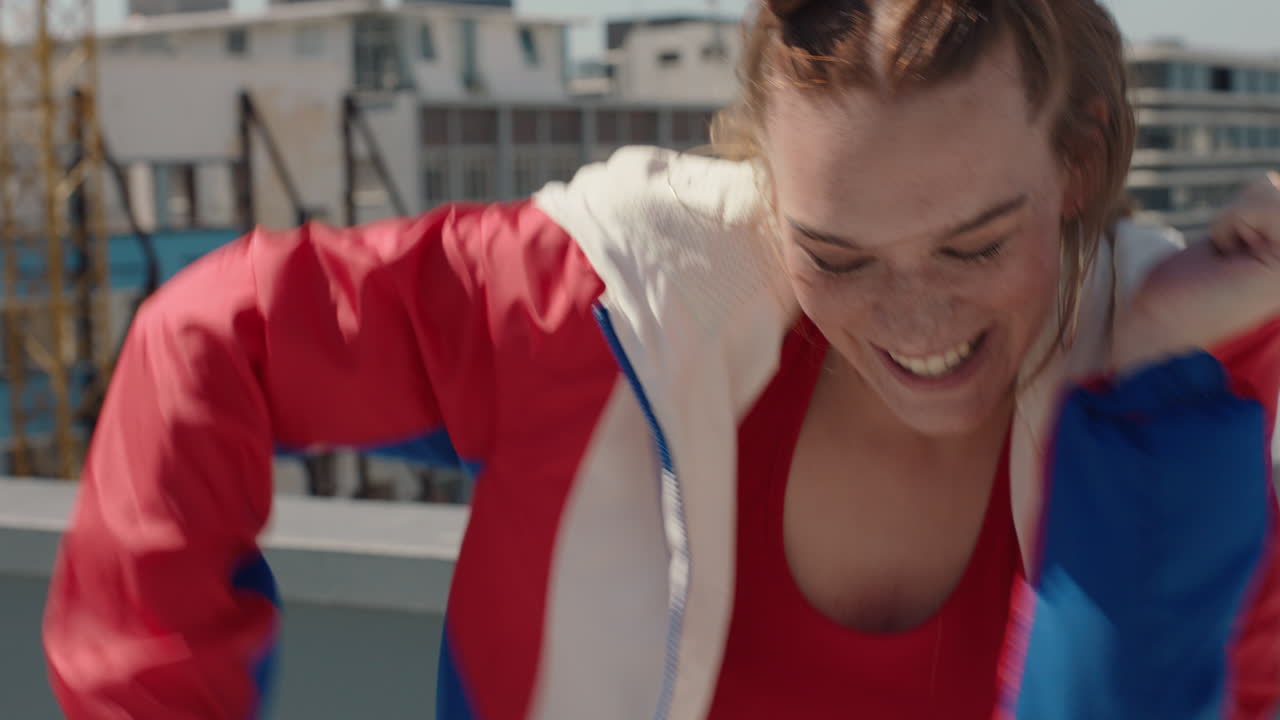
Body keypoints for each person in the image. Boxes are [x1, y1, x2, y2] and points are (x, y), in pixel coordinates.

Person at [42, 1, 1280, 718]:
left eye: (972, 244)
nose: (911, 320)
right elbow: (208, 337)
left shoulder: (1194, 408)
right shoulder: (591, 304)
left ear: (1080, 159)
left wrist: (1155, 402)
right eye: (834, 256)